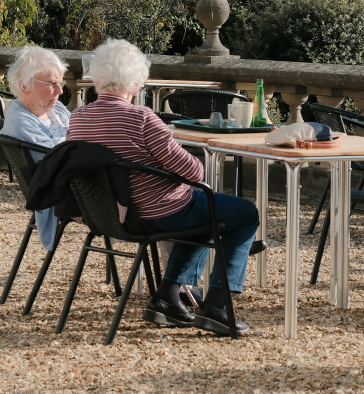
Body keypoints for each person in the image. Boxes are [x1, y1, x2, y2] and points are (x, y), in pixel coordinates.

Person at [66, 38, 259, 336]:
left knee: (203, 213)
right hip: (155, 212)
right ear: (135, 81)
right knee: (244, 212)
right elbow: (194, 171)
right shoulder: (142, 118)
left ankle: (168, 297)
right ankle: (218, 306)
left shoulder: (77, 119)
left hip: (109, 215)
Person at [2, 46, 70, 249]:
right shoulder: (21, 121)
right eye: (52, 84)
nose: (60, 91)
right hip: (66, 193)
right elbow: (59, 160)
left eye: (60, 83)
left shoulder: (54, 107)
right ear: (25, 85)